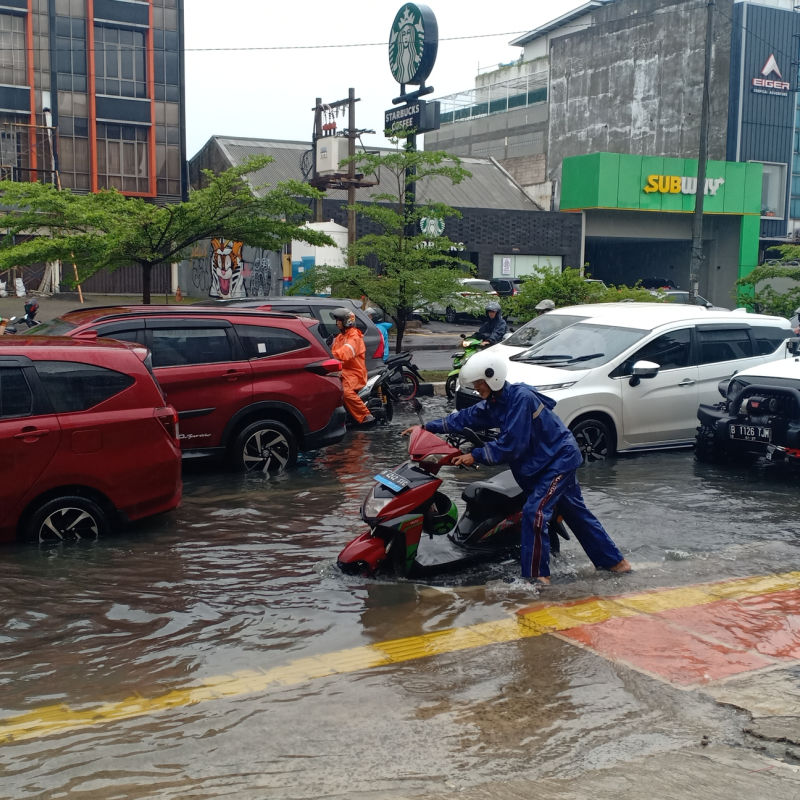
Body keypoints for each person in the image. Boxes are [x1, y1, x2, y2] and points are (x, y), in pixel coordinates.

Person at [403, 350, 630, 584]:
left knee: (535, 512)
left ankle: (537, 578)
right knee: (576, 513)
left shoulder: (521, 399)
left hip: (556, 461)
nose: (477, 389)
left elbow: (512, 445)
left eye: (480, 384)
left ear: (493, 379)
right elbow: (466, 417)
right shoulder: (496, 401)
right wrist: (427, 428)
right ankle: (615, 563)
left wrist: (475, 455)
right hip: (543, 461)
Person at [330, 307, 375, 427]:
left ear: (346, 321)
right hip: (342, 371)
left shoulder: (355, 336)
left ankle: (365, 415)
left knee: (346, 392)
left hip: (354, 373)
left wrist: (330, 356)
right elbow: (333, 352)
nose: (337, 322)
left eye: (339, 320)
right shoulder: (340, 337)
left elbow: (345, 352)